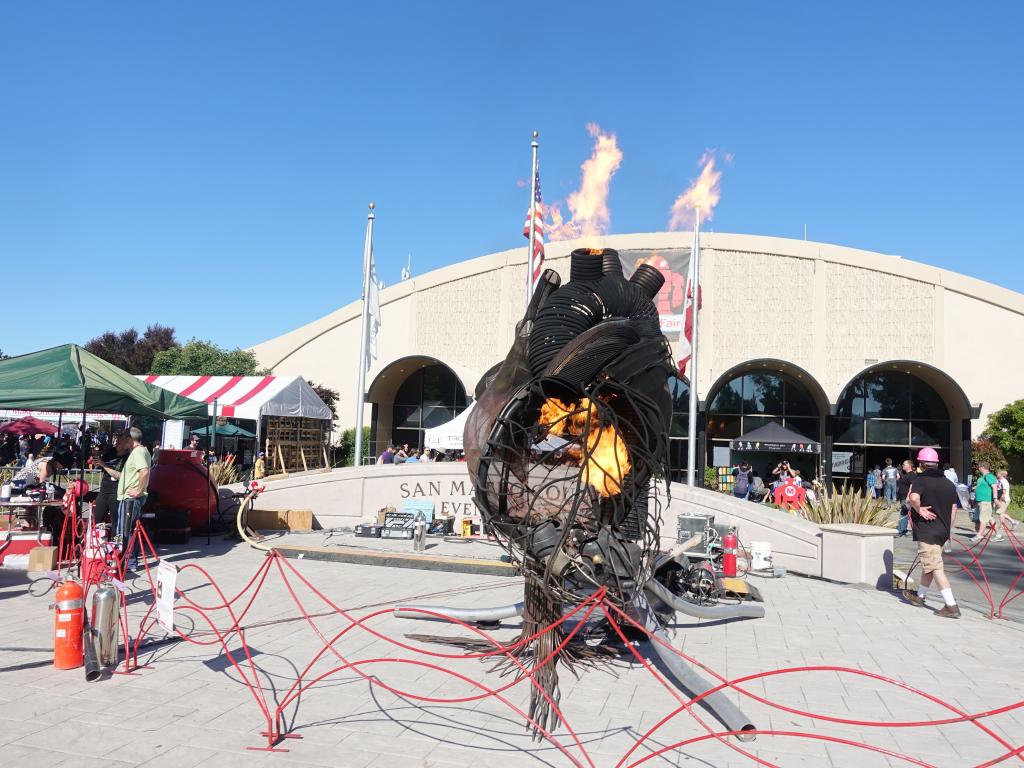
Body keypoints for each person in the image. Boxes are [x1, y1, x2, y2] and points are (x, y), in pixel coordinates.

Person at [902, 447, 961, 618]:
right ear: (937, 464)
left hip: (928, 531)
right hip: (942, 531)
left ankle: (951, 606)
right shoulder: (949, 484)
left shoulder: (921, 480)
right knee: (930, 563)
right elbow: (954, 508)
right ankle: (920, 596)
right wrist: (948, 529)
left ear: (921, 464)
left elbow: (913, 498)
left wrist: (920, 510)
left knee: (935, 567)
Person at [116, 427, 152, 572]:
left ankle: (129, 562)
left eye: (124, 439)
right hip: (129, 498)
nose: (122, 442)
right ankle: (128, 561)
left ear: (129, 439)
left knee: (126, 531)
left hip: (130, 499)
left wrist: (138, 490)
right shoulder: (140, 451)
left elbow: (144, 471)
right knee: (128, 530)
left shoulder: (138, 452)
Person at [92, 431, 132, 527]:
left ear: (126, 443)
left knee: (116, 523)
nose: (116, 444)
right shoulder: (110, 452)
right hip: (104, 491)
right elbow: (99, 464)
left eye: (119, 442)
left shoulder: (128, 457)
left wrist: (104, 465)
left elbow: (120, 476)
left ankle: (114, 540)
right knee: (95, 519)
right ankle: (96, 539)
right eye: (116, 442)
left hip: (116, 492)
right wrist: (96, 458)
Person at [971, 461, 999, 543]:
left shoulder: (989, 476)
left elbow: (994, 487)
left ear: (982, 467)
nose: (978, 468)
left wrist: (995, 499)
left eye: (979, 467)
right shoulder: (982, 478)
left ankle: (979, 535)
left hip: (985, 501)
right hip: (979, 501)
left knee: (983, 518)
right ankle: (998, 534)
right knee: (987, 518)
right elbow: (980, 487)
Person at [994, 469, 1017, 538]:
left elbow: (1003, 493)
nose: (996, 474)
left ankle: (1002, 526)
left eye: (997, 473)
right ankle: (1013, 522)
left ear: (1001, 474)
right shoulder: (999, 480)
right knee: (1000, 512)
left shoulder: (1004, 482)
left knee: (1000, 513)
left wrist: (1000, 501)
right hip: (1001, 499)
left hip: (1004, 499)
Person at [896, 459, 915, 537]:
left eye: (904, 464)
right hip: (903, 497)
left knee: (904, 513)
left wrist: (908, 497)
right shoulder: (906, 475)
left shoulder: (912, 475)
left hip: (906, 498)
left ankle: (900, 530)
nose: (902, 465)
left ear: (909, 466)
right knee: (905, 513)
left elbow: (912, 486)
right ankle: (903, 529)